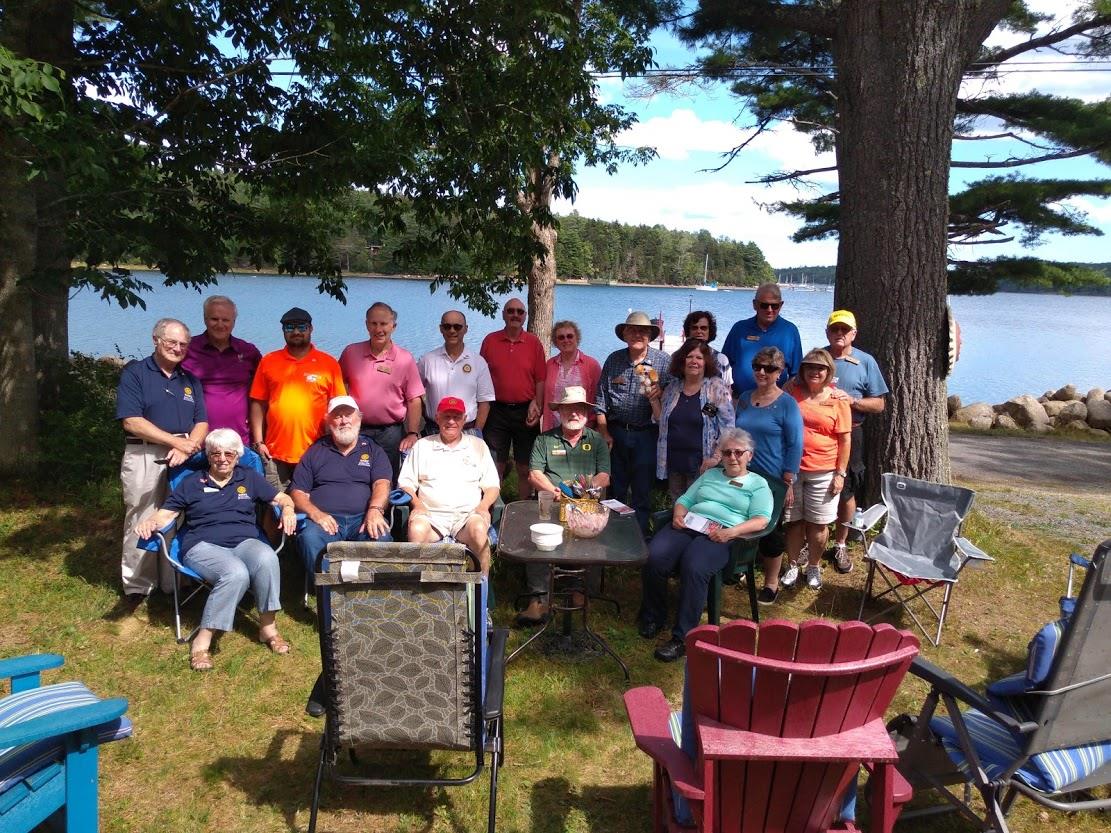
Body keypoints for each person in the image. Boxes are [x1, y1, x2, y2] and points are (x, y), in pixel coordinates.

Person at [134, 429, 297, 671]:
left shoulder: (249, 478)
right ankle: (202, 641)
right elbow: (167, 513)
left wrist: (288, 510)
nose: (222, 459)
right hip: (202, 545)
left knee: (267, 558)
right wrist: (150, 522)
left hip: (244, 542)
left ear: (237, 456)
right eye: (215, 453)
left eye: (229, 454)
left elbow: (281, 498)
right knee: (235, 573)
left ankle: (268, 628)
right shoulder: (192, 482)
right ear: (208, 456)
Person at [639, 428, 772, 662]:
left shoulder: (758, 484)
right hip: (690, 524)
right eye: (727, 452)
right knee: (654, 556)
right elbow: (685, 499)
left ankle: (683, 638)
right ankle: (653, 617)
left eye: (738, 452)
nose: (732, 457)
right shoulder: (710, 475)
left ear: (749, 455)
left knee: (695, 566)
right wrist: (678, 514)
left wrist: (731, 532)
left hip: (723, 533)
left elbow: (761, 520)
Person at [116, 318, 208, 605]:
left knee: (176, 516)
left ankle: (173, 583)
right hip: (145, 453)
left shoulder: (190, 380)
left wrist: (189, 446)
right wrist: (175, 442)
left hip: (184, 456)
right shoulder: (136, 374)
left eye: (183, 344)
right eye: (172, 342)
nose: (177, 348)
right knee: (141, 514)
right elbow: (132, 421)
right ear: (156, 340)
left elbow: (202, 422)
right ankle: (138, 585)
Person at [522, 386, 612, 625]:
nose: (574, 413)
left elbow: (604, 477)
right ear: (559, 411)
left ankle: (581, 592)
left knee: (595, 536)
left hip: (586, 504)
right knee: (538, 537)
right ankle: (538, 598)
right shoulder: (544, 439)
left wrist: (582, 493)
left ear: (586, 413)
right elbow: (534, 474)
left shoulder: (597, 441)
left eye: (579, 409)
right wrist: (554, 491)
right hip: (551, 503)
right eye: (568, 408)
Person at [290, 396, 393, 584]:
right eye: (337, 416)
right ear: (329, 421)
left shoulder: (373, 450)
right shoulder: (315, 451)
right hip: (324, 521)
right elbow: (298, 492)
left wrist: (375, 510)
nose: (344, 421)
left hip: (363, 518)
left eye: (348, 415)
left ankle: (366, 589)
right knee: (309, 538)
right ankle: (328, 590)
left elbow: (382, 484)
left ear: (359, 418)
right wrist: (316, 514)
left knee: (381, 536)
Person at [399, 396, 500, 574]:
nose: (451, 421)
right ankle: (420, 587)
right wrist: (417, 504)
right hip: (431, 516)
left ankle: (481, 586)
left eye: (456, 417)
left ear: (464, 419)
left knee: (479, 530)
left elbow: (492, 485)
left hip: (468, 516)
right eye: (446, 416)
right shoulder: (422, 446)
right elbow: (406, 482)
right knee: (416, 530)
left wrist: (484, 506)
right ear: (437, 418)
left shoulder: (478, 445)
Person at [734, 346, 803, 605]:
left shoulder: (787, 403)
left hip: (772, 478)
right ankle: (740, 568)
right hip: (742, 474)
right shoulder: (745, 397)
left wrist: (788, 481)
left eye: (770, 368)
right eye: (758, 367)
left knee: (770, 531)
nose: (762, 372)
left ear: (780, 372)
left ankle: (771, 583)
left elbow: (795, 444)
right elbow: (735, 433)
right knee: (739, 520)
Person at [249, 307, 346, 490]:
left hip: (316, 452)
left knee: (313, 501)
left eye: (301, 327)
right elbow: (258, 403)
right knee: (275, 503)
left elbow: (339, 407)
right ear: (283, 330)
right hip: (275, 453)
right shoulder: (268, 361)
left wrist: (336, 444)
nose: (296, 332)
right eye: (289, 327)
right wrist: (259, 442)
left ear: (311, 329)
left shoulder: (328, 363)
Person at [780, 349, 851, 591]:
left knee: (819, 525)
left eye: (820, 368)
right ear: (803, 369)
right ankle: (792, 565)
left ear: (829, 371)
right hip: (793, 470)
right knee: (794, 522)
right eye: (810, 366)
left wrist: (840, 473)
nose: (815, 371)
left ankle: (813, 565)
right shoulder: (792, 393)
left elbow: (845, 440)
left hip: (824, 471)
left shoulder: (839, 400)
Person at [823, 310, 889, 574]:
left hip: (851, 432)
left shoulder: (865, 361)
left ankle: (840, 543)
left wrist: (853, 401)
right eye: (835, 329)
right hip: (818, 435)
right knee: (815, 483)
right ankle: (810, 541)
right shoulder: (818, 357)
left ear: (853, 334)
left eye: (844, 329)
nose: (839, 333)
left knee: (847, 488)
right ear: (827, 332)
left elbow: (879, 404)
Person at [595, 311, 672, 533]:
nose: (638, 334)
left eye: (643, 331)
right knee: (616, 488)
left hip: (648, 434)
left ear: (650, 336)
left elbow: (674, 397)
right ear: (625, 334)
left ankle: (638, 537)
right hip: (617, 433)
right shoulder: (614, 360)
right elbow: (600, 400)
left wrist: (661, 392)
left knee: (642, 490)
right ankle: (615, 535)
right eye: (633, 330)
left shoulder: (663, 361)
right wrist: (604, 432)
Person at [339, 301, 425, 480]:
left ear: (393, 326)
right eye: (374, 323)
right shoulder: (350, 353)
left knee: (387, 477)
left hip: (390, 433)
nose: (378, 329)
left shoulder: (404, 358)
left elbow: (414, 399)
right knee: (355, 477)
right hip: (356, 428)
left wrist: (412, 433)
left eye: (384, 324)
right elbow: (338, 387)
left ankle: (386, 500)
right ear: (366, 325)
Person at [479, 298, 546, 499]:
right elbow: (481, 376)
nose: (515, 315)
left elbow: (540, 379)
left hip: (525, 411)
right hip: (496, 411)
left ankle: (522, 508)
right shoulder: (490, 340)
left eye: (519, 311)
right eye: (510, 311)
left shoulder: (533, 343)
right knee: (495, 466)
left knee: (525, 468)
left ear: (525, 316)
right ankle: (493, 509)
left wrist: (538, 405)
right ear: (503, 314)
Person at [652, 339, 735, 500]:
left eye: (699, 357)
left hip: (702, 464)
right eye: (689, 356)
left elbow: (729, 427)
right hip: (674, 463)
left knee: (699, 508)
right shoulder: (672, 388)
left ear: (706, 362)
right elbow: (661, 421)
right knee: (678, 506)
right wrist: (653, 400)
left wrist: (716, 457)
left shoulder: (716, 388)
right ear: (682, 361)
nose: (694, 361)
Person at [182, 295, 261, 444]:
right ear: (205, 319)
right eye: (214, 319)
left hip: (239, 440)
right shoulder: (187, 349)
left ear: (234, 322)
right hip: (197, 440)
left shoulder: (248, 351)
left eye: (225, 320)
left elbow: (263, 390)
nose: (220, 325)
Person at [417, 309, 494, 436]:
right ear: (441, 329)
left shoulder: (478, 362)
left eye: (457, 327)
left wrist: (477, 431)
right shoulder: (427, 360)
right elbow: (414, 394)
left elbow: (484, 401)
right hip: (434, 429)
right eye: (447, 326)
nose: (452, 331)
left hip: (468, 430)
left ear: (466, 329)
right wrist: (425, 414)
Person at [721, 283, 803, 397]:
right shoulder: (739, 328)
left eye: (774, 306)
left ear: (781, 305)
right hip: (738, 400)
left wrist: (785, 395)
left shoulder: (790, 331)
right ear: (755, 304)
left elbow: (797, 373)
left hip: (774, 401)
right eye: (764, 305)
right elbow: (723, 364)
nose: (769, 310)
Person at [541, 320, 601, 432]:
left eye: (569, 336)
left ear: (577, 338)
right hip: (553, 428)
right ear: (555, 342)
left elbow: (599, 399)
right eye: (561, 337)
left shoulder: (592, 365)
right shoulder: (549, 365)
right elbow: (543, 393)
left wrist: (597, 426)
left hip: (582, 428)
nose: (566, 340)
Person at [682, 310, 732, 389]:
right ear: (688, 331)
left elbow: (727, 387)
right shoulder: (679, 357)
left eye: (703, 328)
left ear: (710, 331)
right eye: (694, 328)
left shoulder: (721, 359)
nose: (699, 331)